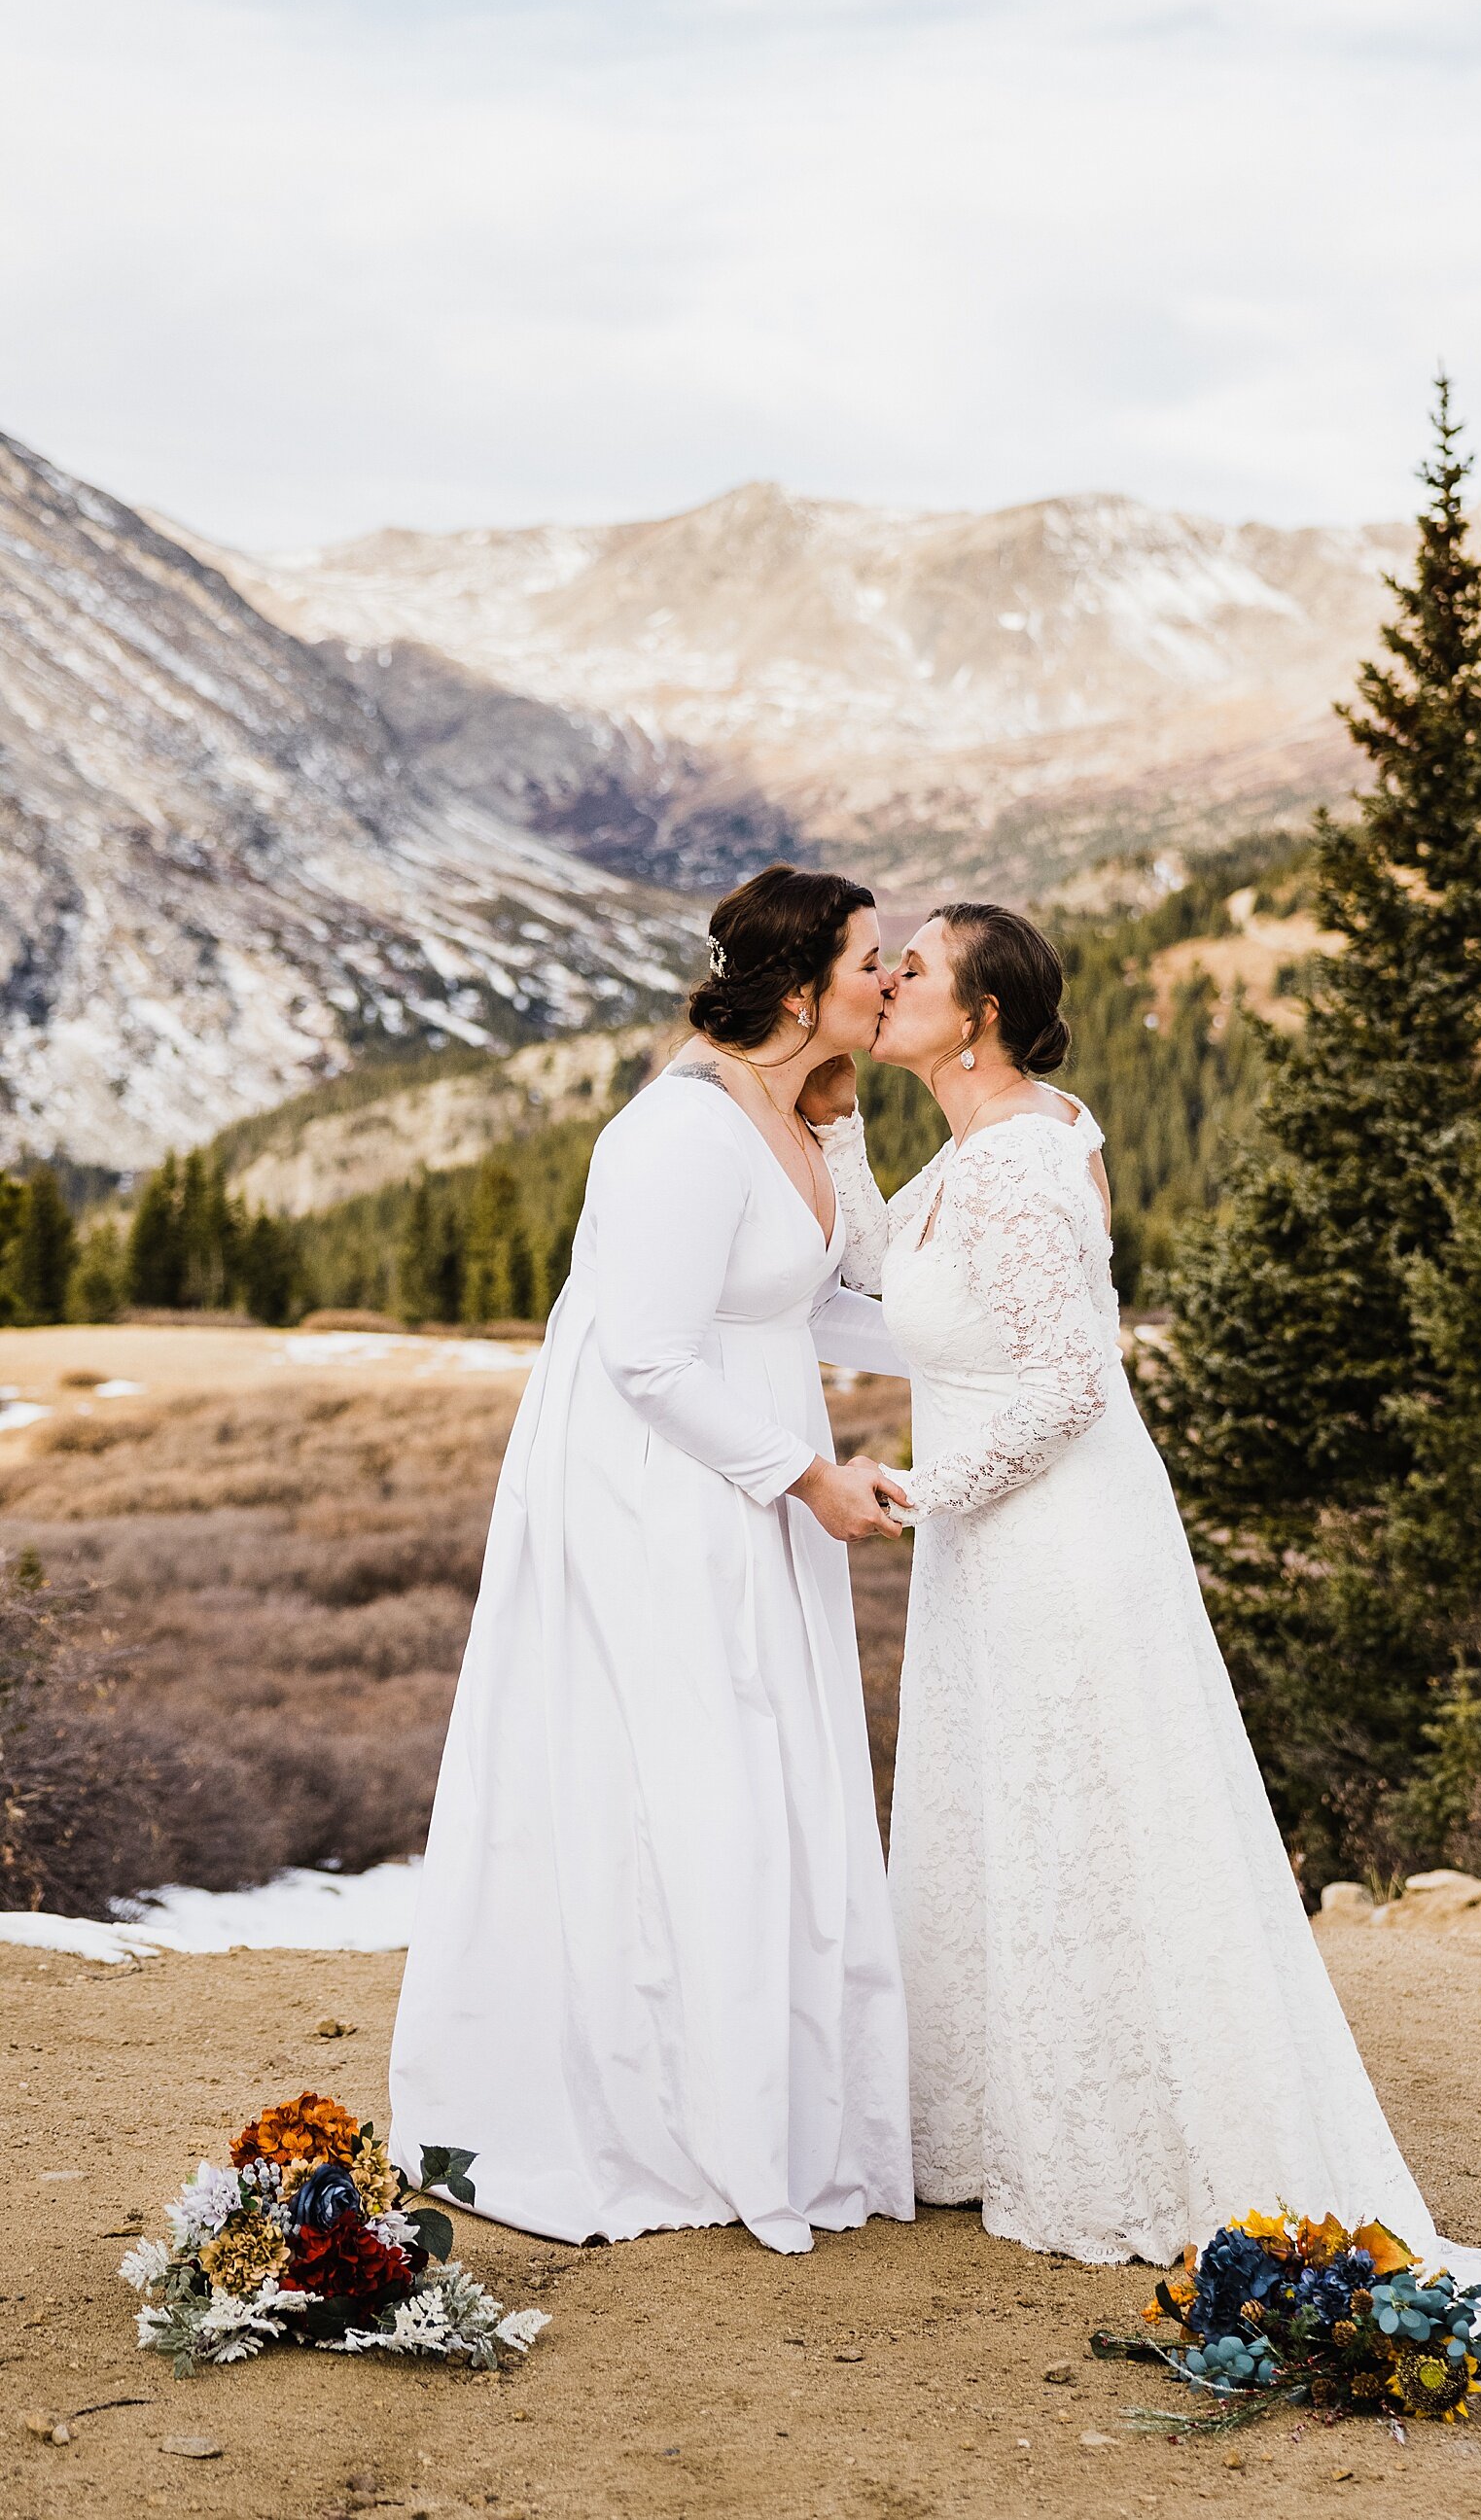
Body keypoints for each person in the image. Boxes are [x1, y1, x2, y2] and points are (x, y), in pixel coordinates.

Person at [810, 896, 1481, 2398]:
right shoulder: (973, 1152)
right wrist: (840, 1115)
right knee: (1023, 1821)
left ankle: (1133, 2137)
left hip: (1053, 1538)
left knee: (1095, 1812)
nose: (887, 981)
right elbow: (873, 1278)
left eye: (910, 969)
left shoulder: (1028, 1160)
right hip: (1000, 1550)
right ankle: (1019, 2119)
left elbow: (1069, 1383)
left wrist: (927, 1493)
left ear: (978, 1012)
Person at [390, 865, 912, 2255]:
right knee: (691, 1787)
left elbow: (836, 1294)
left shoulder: (792, 1109)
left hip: (745, 1471)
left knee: (764, 1786)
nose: (895, 977)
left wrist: (847, 1128)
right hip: (659, 1496)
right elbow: (647, 1353)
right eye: (873, 959)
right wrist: (808, 1479)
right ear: (800, 989)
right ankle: (669, 2118)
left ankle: (776, 2108)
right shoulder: (676, 1134)